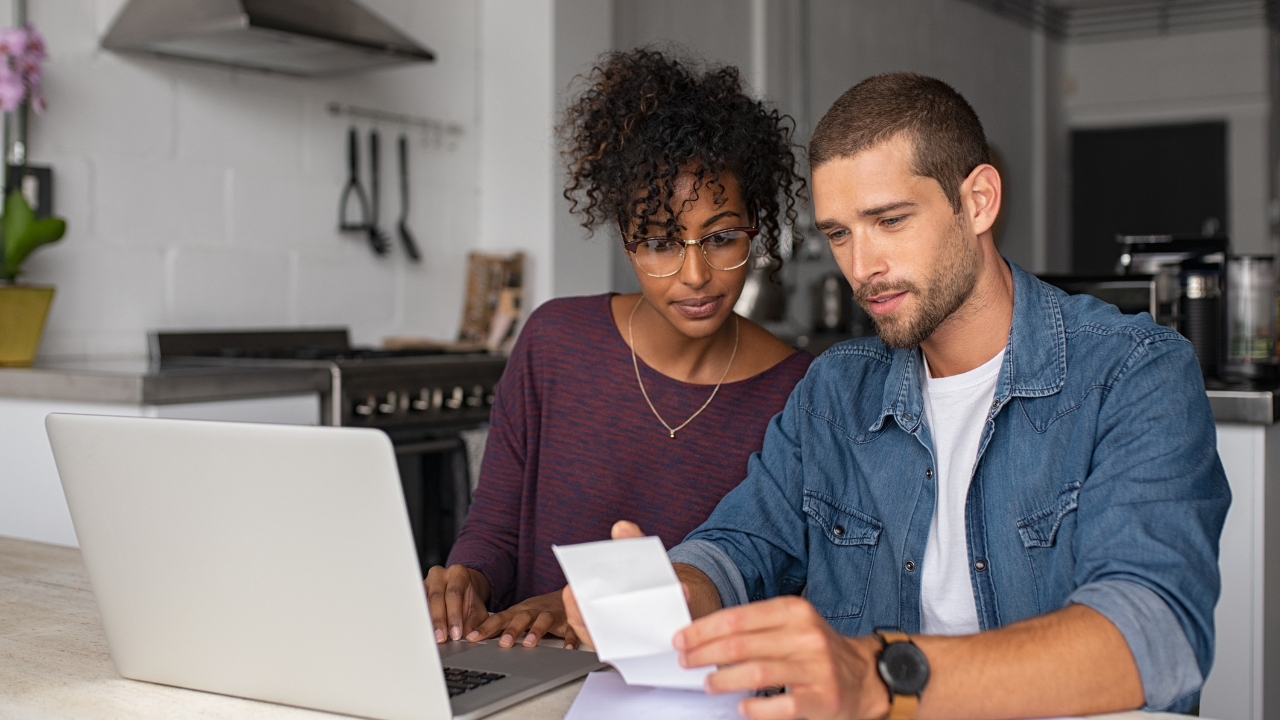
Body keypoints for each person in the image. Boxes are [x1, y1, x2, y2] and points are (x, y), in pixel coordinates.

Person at [565, 72, 1230, 719]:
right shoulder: (834, 390)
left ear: (978, 202)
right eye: (840, 233)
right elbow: (741, 545)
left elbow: (1154, 633)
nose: (861, 267)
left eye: (889, 220)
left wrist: (882, 677)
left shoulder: (1135, 373)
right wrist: (676, 591)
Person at [425, 49, 812, 652]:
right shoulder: (554, 342)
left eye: (722, 237)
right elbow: (495, 532)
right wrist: (466, 580)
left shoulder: (799, 392)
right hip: (530, 676)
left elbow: (772, 585)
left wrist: (587, 608)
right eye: (659, 242)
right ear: (627, 242)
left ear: (756, 230)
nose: (694, 274)